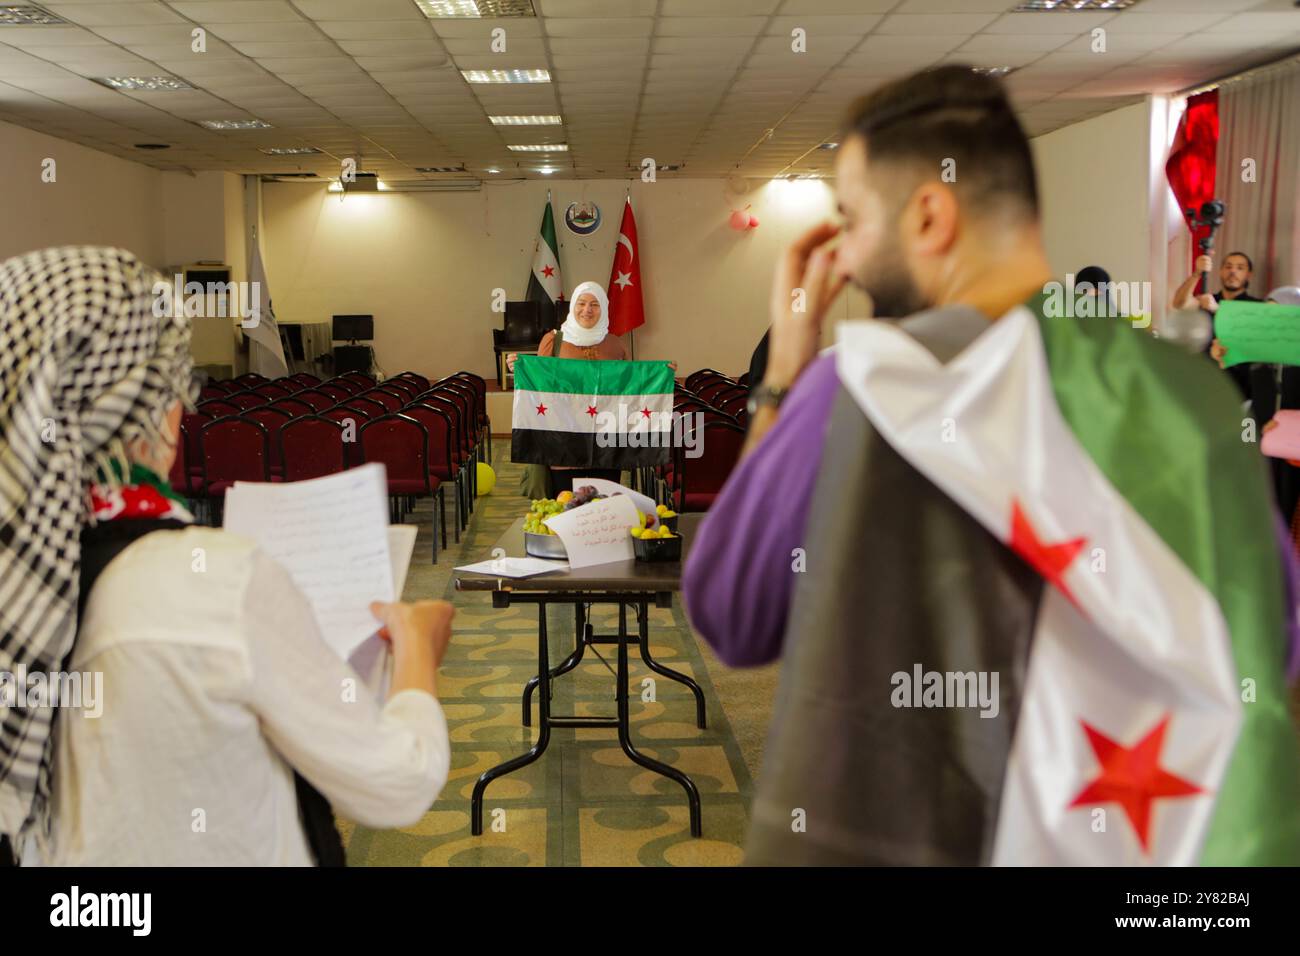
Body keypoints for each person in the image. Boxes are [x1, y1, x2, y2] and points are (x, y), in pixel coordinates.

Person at [682, 66, 1300, 865]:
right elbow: (1272, 643)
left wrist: (781, 380)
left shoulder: (858, 387)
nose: (849, 254)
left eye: (854, 219)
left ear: (930, 214)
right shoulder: (1198, 397)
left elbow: (732, 612)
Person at [0, 246, 452, 866]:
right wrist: (418, 652)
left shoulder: (24, 574)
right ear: (149, 406)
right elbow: (397, 781)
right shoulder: (214, 582)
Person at [508, 281, 628, 497]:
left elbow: (628, 386)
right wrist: (519, 368)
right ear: (573, 306)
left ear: (604, 308)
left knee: (605, 508)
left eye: (594, 304)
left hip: (605, 441)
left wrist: (662, 373)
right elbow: (540, 384)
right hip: (563, 442)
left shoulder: (615, 344)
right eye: (581, 303)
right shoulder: (554, 341)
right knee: (567, 509)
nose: (587, 310)